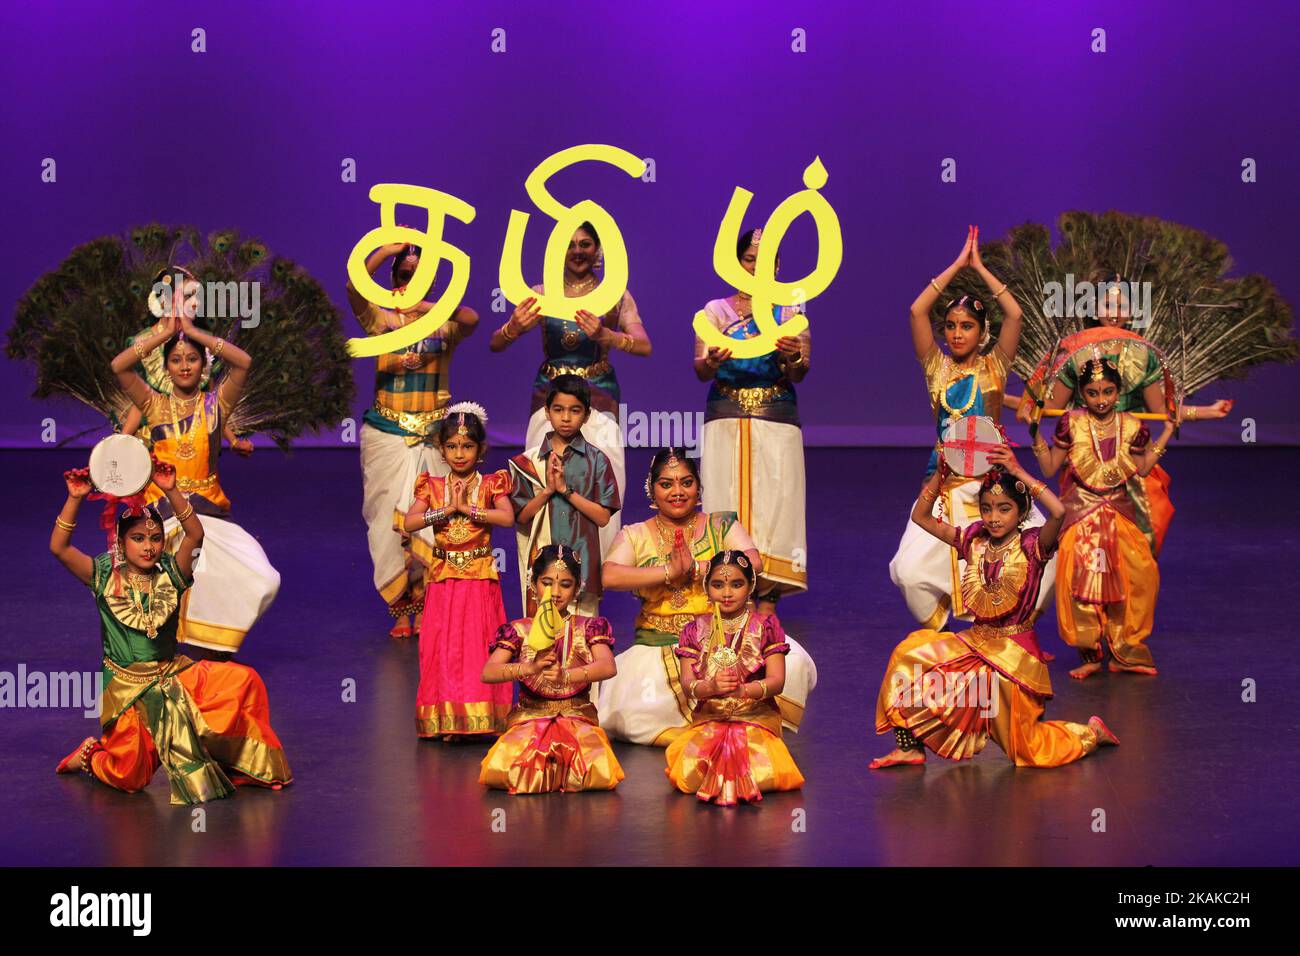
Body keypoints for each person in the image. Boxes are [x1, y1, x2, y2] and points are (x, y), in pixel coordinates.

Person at [52, 460, 291, 803]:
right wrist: (75, 498)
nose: (147, 546)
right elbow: (59, 548)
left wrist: (171, 491)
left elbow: (195, 534)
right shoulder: (103, 575)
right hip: (126, 692)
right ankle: (89, 755)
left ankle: (236, 762)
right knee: (131, 776)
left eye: (154, 538)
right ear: (121, 543)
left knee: (244, 681)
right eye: (137, 539)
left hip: (172, 677)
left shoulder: (174, 572)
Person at [871, 447, 1119, 768]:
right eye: (987, 509)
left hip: (1013, 659)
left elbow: (1059, 513)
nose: (993, 517)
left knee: (1028, 753)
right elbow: (921, 518)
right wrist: (940, 476)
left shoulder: (1033, 546)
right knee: (910, 653)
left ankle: (1090, 733)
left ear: (1020, 512)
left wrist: (1017, 471)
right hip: (975, 646)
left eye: (1004, 509)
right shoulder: (973, 540)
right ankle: (910, 747)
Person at [889, 226, 1056, 630]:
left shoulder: (994, 366)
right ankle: (945, 633)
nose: (957, 333)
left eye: (967, 326)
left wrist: (980, 268)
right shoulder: (936, 367)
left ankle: (1011, 626)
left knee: (1040, 560)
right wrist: (956, 266)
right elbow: (916, 311)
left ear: (982, 333)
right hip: (945, 480)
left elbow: (1014, 315)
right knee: (910, 569)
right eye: (951, 325)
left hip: (994, 481)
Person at [598, 448, 817, 745]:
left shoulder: (720, 525)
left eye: (686, 483)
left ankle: (739, 722)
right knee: (635, 709)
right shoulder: (636, 534)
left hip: (728, 639)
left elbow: (753, 562)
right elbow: (609, 575)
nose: (678, 492)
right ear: (652, 489)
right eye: (666, 484)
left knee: (792, 663)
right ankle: (716, 726)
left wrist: (699, 568)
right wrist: (668, 572)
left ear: (698, 487)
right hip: (662, 645)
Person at [1015, 275, 1231, 555]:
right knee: (1083, 542)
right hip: (1085, 457)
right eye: (1107, 304)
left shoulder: (1144, 355)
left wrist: (1207, 413)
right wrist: (1022, 405)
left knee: (1137, 543)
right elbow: (1049, 407)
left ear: (1133, 311)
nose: (1114, 312)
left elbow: (1162, 414)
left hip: (1130, 456)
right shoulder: (1075, 353)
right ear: (1093, 309)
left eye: (1122, 305)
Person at [109, 305, 278, 657]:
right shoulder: (153, 405)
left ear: (203, 366)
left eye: (192, 359)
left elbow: (243, 362)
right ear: (166, 368)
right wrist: (162, 336)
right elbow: (118, 367)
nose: (184, 365)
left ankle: (210, 645)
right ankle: (168, 657)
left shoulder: (217, 406)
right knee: (163, 589)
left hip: (209, 514)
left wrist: (196, 333)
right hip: (162, 518)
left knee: (264, 577)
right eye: (175, 360)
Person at [489, 221, 652, 559]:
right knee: (542, 483)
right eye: (570, 244)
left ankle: (597, 574)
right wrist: (513, 328)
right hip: (549, 398)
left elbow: (644, 346)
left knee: (603, 482)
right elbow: (495, 345)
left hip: (599, 397)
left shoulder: (615, 295)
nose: (577, 251)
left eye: (585, 244)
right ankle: (547, 577)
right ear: (557, 251)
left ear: (598, 250)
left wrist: (608, 338)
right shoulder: (540, 294)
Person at [348, 242, 480, 639]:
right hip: (387, 435)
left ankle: (425, 604)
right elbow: (355, 288)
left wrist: (426, 307)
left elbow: (472, 317)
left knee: (434, 522)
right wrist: (385, 249)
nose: (411, 283)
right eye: (405, 275)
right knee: (388, 528)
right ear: (392, 279)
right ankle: (399, 609)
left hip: (434, 438)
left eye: (419, 276)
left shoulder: (445, 325)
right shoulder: (380, 320)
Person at [1029, 356, 1174, 678]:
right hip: (1081, 513)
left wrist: (1166, 434)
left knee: (1138, 576)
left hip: (1120, 513)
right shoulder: (1071, 423)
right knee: (1081, 583)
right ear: (1082, 394)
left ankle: (1126, 651)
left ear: (1119, 391)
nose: (1101, 400)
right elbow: (1051, 468)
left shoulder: (1134, 426)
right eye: (1093, 393)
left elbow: (1144, 468)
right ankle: (1090, 653)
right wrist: (1034, 433)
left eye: (1108, 391)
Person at [695, 227, 810, 613]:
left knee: (777, 504)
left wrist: (791, 355)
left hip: (775, 418)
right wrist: (711, 361)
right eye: (749, 260)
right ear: (736, 263)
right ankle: (723, 593)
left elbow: (799, 372)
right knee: (723, 499)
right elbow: (700, 370)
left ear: (777, 267)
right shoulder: (716, 311)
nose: (756, 269)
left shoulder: (790, 312)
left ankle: (768, 606)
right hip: (725, 417)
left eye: (765, 263)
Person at [401, 403, 514, 738]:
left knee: (479, 645)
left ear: (480, 450)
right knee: (443, 646)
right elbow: (410, 521)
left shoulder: (492, 483)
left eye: (467, 446)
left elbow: (507, 518)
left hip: (479, 578)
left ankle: (484, 719)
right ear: (441, 449)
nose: (459, 453)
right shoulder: (432, 486)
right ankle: (447, 719)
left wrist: (469, 508)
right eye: (452, 446)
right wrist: (447, 510)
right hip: (444, 578)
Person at [479, 545, 624, 793]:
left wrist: (566, 676)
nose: (555, 592)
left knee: (595, 773)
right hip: (531, 718)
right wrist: (530, 667)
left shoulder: (588, 627)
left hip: (576, 717)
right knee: (507, 771)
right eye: (547, 582)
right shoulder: (518, 629)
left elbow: (608, 666)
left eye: (565, 585)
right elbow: (488, 673)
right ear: (533, 584)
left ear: (577, 588)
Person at [666, 551, 804, 806]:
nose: (727, 593)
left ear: (751, 587)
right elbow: (688, 686)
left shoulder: (766, 625)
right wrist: (711, 686)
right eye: (718, 585)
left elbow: (777, 681)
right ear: (706, 588)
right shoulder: (694, 629)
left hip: (754, 719)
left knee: (763, 772)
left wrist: (744, 690)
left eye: (736, 584)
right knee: (690, 772)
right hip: (712, 719)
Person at [509, 374, 620, 617]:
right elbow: (521, 517)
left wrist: (565, 491)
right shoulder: (528, 462)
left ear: (587, 415)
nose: (566, 418)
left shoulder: (597, 461)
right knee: (543, 645)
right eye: (558, 409)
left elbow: (602, 518)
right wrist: (548, 490)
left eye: (575, 410)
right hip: (542, 569)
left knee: (581, 642)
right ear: (547, 412)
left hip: (583, 567)